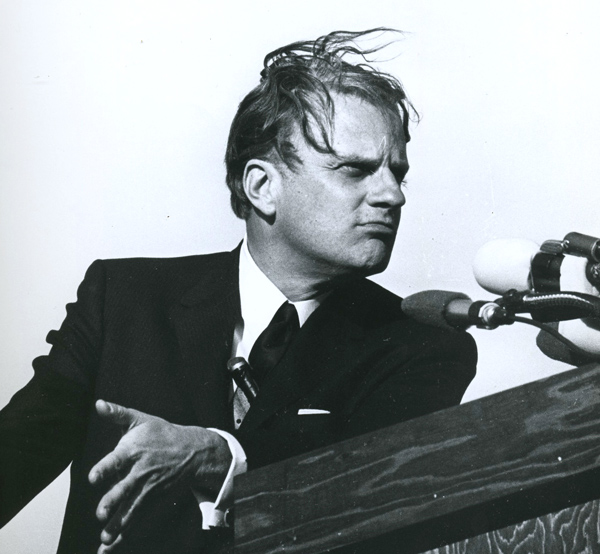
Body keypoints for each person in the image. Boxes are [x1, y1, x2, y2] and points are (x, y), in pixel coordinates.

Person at [0, 29, 477, 554]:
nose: (392, 195)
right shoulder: (121, 300)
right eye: (355, 170)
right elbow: (16, 455)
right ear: (261, 187)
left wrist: (220, 455)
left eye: (397, 173)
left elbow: (364, 479)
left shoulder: (426, 343)